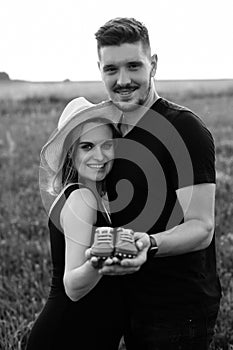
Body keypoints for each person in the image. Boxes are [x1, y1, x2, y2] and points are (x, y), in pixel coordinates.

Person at [87, 17, 222, 349]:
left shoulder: (184, 129)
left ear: (154, 64)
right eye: (111, 69)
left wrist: (148, 244)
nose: (123, 80)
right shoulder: (108, 132)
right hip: (129, 302)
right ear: (99, 69)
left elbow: (201, 227)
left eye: (134, 66)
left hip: (177, 310)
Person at [26, 97, 125, 350]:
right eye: (87, 147)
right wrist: (104, 258)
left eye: (107, 145)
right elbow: (72, 286)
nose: (100, 156)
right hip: (68, 336)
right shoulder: (83, 198)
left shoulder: (84, 194)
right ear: (71, 151)